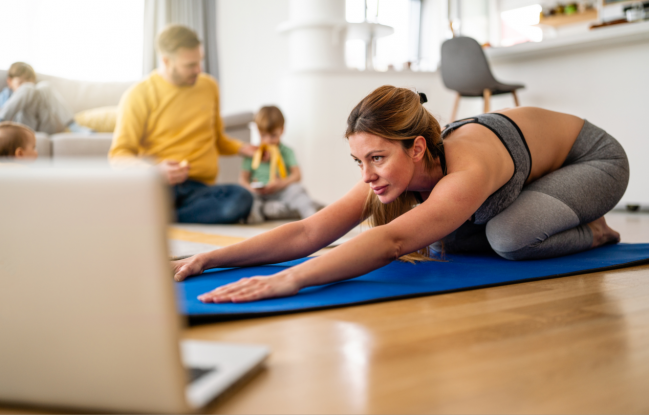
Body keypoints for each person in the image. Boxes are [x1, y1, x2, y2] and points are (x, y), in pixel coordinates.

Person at [172, 85, 629, 303]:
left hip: (591, 162)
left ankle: (593, 230)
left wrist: (292, 279)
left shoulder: (465, 171)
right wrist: (214, 258)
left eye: (376, 158)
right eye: (359, 161)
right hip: (529, 175)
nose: (367, 175)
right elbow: (311, 229)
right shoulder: (395, 169)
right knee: (438, 238)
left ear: (415, 148)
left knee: (509, 237)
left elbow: (389, 242)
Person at [109, 25, 257, 224]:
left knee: (241, 198)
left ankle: (162, 217)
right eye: (190, 65)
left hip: (200, 189)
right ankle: (161, 213)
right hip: (161, 185)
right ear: (166, 60)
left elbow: (218, 139)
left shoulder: (209, 86)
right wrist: (155, 171)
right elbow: (119, 155)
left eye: (199, 62)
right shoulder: (138, 94)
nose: (198, 70)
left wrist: (244, 149)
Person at [241, 106, 319, 223]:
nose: (268, 141)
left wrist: (281, 184)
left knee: (297, 189)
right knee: (247, 196)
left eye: (273, 135)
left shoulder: (287, 152)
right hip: (259, 195)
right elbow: (243, 180)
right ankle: (258, 214)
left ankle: (310, 215)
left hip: (281, 192)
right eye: (263, 135)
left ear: (282, 130)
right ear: (258, 131)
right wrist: (251, 188)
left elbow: (297, 175)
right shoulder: (252, 153)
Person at [0, 62, 87, 135]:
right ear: (9, 82)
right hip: (23, 128)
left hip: (45, 128)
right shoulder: (5, 95)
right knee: (28, 88)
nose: (26, 84)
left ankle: (73, 126)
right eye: (21, 83)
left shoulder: (39, 91)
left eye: (29, 82)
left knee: (45, 86)